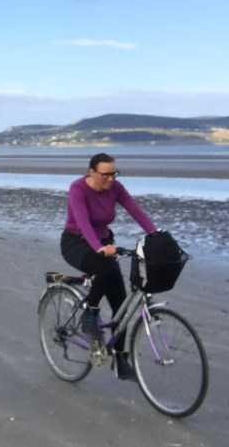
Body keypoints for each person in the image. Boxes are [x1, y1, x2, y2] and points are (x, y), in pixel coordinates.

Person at [60, 152, 157, 381]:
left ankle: (119, 359)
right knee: (105, 268)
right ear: (91, 172)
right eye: (106, 174)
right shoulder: (78, 188)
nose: (111, 178)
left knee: (120, 305)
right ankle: (90, 313)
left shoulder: (116, 187)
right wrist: (99, 248)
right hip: (77, 243)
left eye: (114, 173)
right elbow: (83, 222)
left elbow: (136, 211)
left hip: (105, 243)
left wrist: (158, 235)